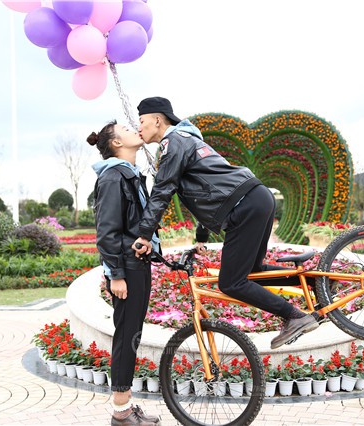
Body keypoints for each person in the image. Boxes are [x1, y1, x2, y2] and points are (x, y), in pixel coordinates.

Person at [132, 97, 319, 349]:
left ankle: (294, 316)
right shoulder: (188, 139)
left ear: (157, 120)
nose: (138, 127)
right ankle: (315, 281)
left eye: (141, 121)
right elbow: (206, 191)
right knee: (251, 272)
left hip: (245, 205)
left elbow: (163, 190)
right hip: (256, 198)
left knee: (231, 283)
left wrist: (144, 234)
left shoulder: (173, 143)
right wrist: (201, 238)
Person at [87, 120, 161, 426]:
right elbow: (106, 232)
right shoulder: (112, 177)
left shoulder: (129, 175)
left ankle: (126, 407)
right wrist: (116, 275)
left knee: (132, 334)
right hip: (126, 270)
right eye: (127, 130)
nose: (135, 130)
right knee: (126, 336)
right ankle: (121, 412)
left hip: (137, 265)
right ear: (117, 143)